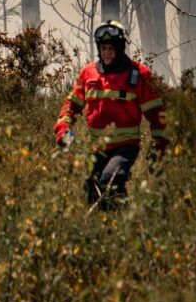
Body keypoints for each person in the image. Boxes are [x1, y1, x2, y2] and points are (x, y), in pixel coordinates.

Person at [54, 20, 168, 209]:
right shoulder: (88, 73)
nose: (106, 53)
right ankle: (114, 227)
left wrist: (159, 146)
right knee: (92, 190)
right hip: (96, 148)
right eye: (103, 48)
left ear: (121, 47)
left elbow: (157, 114)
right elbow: (71, 106)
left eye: (111, 49)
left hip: (125, 146)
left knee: (109, 180)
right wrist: (63, 130)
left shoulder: (138, 74)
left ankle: (121, 223)